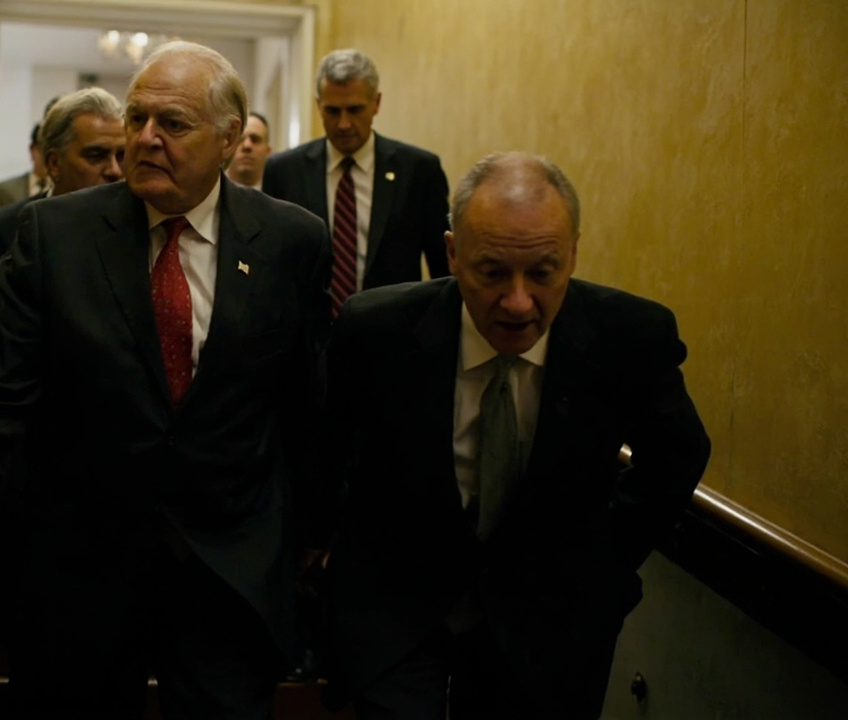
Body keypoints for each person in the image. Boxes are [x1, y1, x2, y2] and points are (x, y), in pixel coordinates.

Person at [0, 41, 330, 720]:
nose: (144, 139)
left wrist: (312, 538)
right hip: (76, 576)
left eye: (172, 124)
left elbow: (305, 404)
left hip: (228, 576)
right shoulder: (53, 234)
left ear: (229, 138)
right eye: (137, 117)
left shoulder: (293, 241)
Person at [320, 152, 711, 719]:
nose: (518, 302)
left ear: (573, 253)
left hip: (550, 627)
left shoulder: (630, 337)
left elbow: (677, 455)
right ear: (453, 254)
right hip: (400, 615)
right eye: (493, 272)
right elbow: (327, 450)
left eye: (543, 273)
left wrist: (600, 560)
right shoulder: (376, 330)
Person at [262, 49, 450, 314]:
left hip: (393, 327)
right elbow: (272, 263)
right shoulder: (284, 171)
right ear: (318, 106)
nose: (343, 124)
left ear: (376, 103)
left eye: (354, 110)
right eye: (332, 111)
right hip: (309, 330)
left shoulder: (418, 170)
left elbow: (443, 267)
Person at [0, 87, 125, 352]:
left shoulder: (140, 228)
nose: (115, 171)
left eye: (122, 156)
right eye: (96, 155)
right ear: (54, 163)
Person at [0, 116, 52, 211]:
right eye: (43, 149)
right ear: (32, 150)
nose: (48, 157)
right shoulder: (6, 190)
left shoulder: (63, 190)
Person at [228, 111, 272, 189]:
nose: (247, 146)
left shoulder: (282, 194)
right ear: (227, 147)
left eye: (255, 139)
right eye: (240, 139)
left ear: (268, 151)